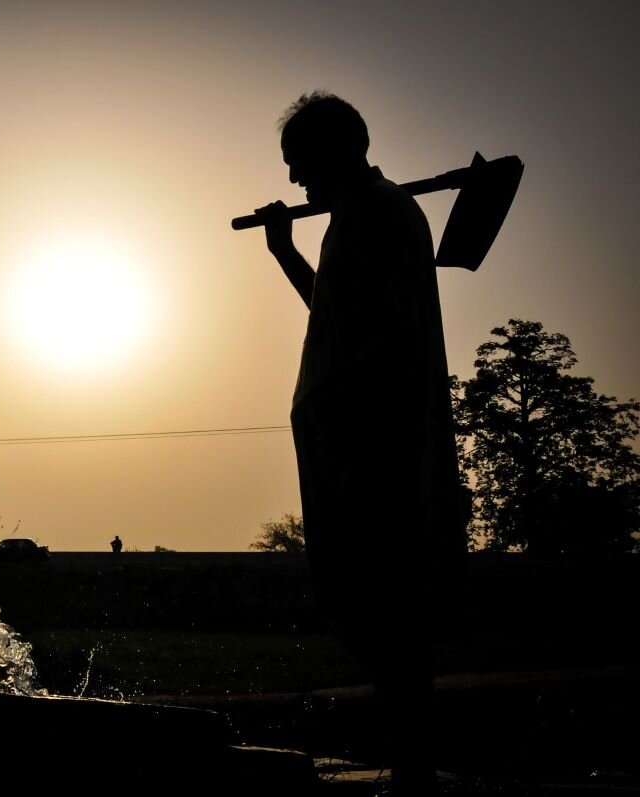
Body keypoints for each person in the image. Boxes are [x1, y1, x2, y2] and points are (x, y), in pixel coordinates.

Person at [254, 91, 465, 794]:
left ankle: (413, 774)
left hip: (376, 451)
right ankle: (412, 767)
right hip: (360, 445)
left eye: (299, 162)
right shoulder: (364, 217)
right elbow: (339, 316)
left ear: (339, 148)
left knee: (387, 610)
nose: (293, 181)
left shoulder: (377, 216)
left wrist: (352, 439)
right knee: (378, 610)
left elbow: (378, 345)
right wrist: (285, 251)